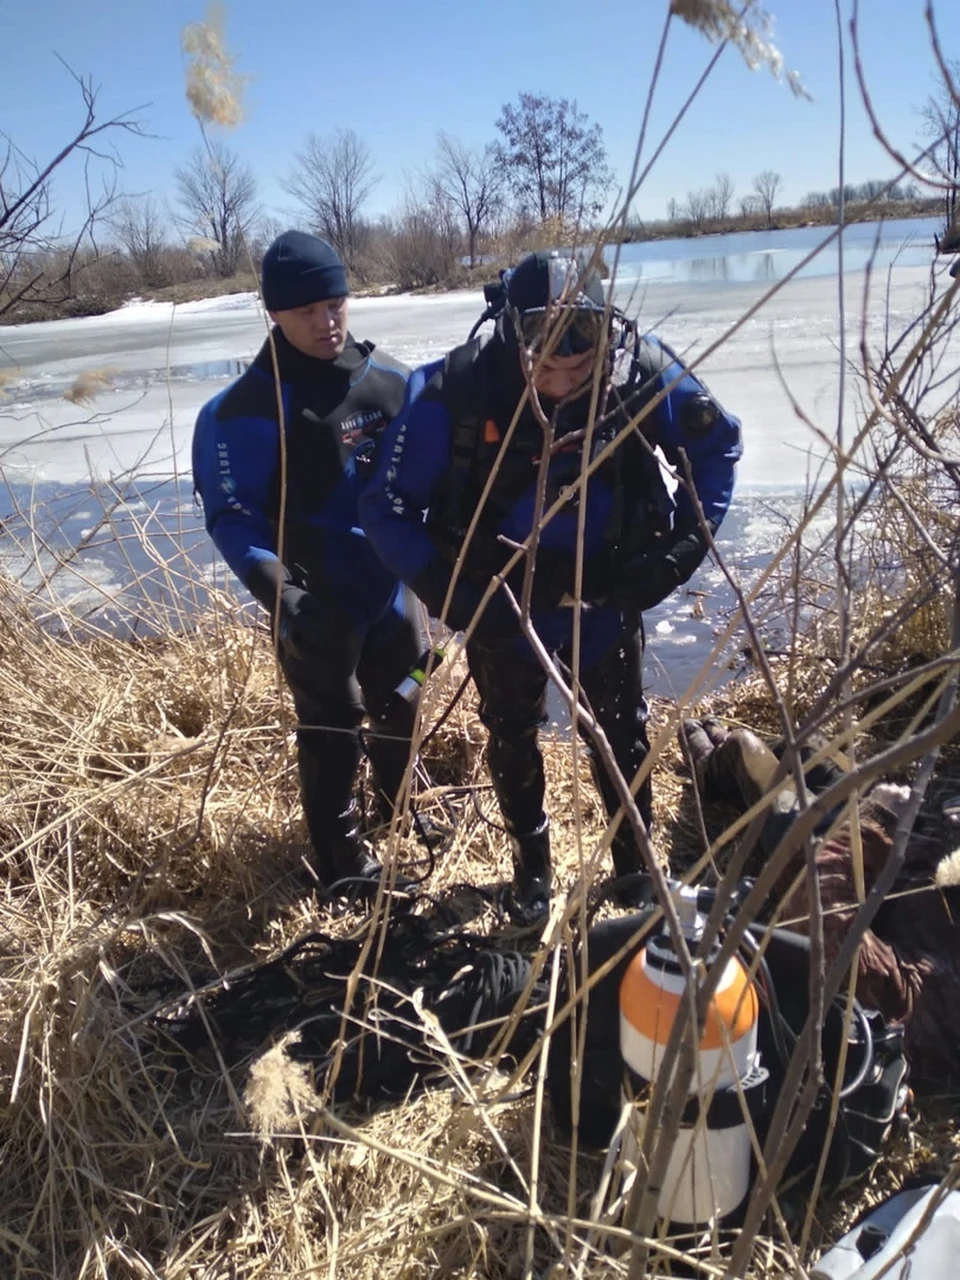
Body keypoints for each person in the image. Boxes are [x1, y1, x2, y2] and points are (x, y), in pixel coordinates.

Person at [360, 249, 742, 915]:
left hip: (605, 594)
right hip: (501, 599)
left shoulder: (639, 372)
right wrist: (449, 592)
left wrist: (683, 548)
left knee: (620, 730)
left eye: (581, 366)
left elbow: (717, 447)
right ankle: (532, 869)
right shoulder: (453, 392)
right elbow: (384, 508)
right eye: (547, 368)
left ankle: (632, 868)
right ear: (513, 336)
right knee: (510, 729)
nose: (564, 383)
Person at [192, 229, 428, 895]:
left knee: (403, 696)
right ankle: (343, 863)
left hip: (391, 591)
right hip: (313, 599)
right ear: (274, 312)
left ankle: (398, 810)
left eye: (336, 305)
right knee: (330, 724)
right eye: (307, 312)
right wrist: (282, 597)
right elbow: (231, 517)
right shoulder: (239, 412)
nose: (327, 323)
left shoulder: (393, 385)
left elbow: (436, 480)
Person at [681, 716, 960, 1082]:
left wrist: (871, 822)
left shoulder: (934, 997)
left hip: (827, 855)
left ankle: (709, 764)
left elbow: (826, 929)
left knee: (744, 748)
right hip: (901, 838)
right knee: (804, 745)